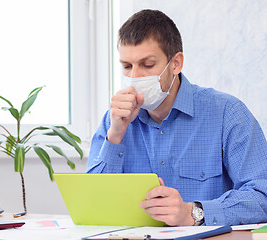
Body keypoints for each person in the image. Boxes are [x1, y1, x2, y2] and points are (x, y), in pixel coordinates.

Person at [87, 9, 267, 226]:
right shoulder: (114, 121)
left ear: (176, 64)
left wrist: (193, 213)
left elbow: (261, 195)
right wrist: (115, 135)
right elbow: (92, 204)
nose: (134, 77)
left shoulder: (228, 113)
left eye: (147, 65)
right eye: (127, 66)